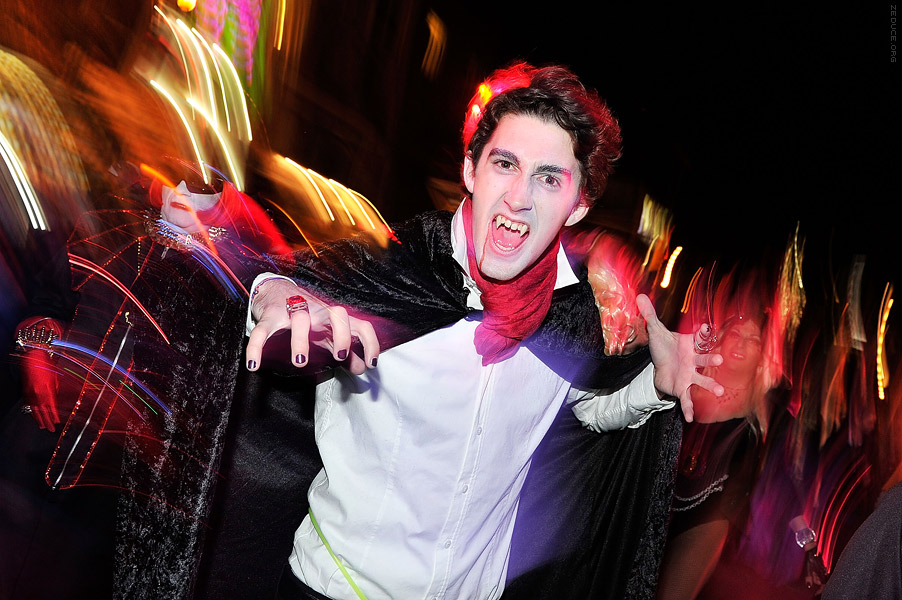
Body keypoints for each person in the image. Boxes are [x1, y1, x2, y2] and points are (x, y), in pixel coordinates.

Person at [245, 63, 724, 600]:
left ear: (578, 205)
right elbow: (278, 283)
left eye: (549, 178)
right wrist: (274, 295)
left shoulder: (572, 314)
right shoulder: (393, 266)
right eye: (505, 163)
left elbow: (584, 407)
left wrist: (652, 385)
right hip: (333, 588)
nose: (520, 196)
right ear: (471, 171)